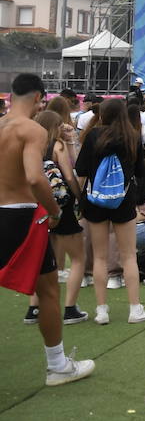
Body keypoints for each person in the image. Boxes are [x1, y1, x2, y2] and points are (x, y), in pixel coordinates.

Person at [0, 73, 94, 387]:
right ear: (39, 96)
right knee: (48, 291)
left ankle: (59, 365)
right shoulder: (33, 129)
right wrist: (53, 210)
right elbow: (34, 177)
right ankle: (58, 365)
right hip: (23, 216)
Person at [75, 97, 145, 325]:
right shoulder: (132, 137)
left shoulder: (92, 136)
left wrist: (78, 199)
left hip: (95, 200)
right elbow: (140, 170)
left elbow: (81, 171)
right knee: (129, 255)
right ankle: (134, 308)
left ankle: (101, 310)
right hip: (123, 199)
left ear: (102, 114)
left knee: (99, 256)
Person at [33, 106, 88, 322]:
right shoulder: (58, 146)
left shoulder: (34, 146)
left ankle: (35, 308)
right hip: (61, 205)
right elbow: (69, 175)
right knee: (78, 258)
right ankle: (70, 308)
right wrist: (80, 198)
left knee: (47, 259)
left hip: (40, 204)